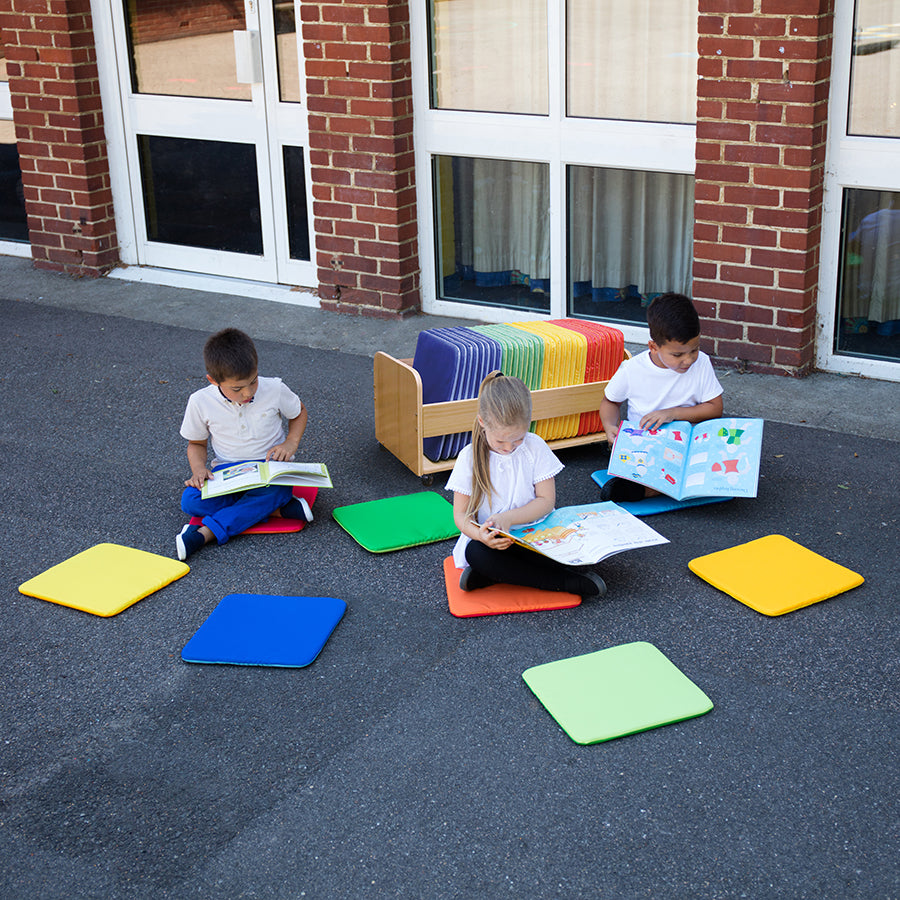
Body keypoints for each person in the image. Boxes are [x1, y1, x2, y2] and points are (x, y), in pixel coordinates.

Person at [446, 371, 607, 598]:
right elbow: (461, 516)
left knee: (577, 547)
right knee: (476, 553)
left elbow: (546, 501)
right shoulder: (468, 457)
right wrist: (480, 535)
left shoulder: (535, 446)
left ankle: (494, 576)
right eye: (501, 440)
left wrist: (509, 518)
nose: (509, 447)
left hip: (538, 534)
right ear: (482, 422)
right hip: (493, 541)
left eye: (518, 439)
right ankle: (564, 583)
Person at [175, 328, 311, 560]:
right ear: (213, 380)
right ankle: (277, 510)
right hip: (227, 472)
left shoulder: (275, 388)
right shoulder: (200, 401)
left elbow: (299, 413)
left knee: (277, 489)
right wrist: (198, 470)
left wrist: (290, 443)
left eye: (253, 381)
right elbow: (196, 443)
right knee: (190, 501)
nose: (248, 392)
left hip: (271, 469)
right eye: (237, 388)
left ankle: (204, 534)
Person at [599, 292, 724, 501]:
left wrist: (673, 413)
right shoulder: (633, 369)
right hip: (648, 444)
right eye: (677, 355)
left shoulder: (701, 362)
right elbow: (610, 402)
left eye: (694, 349)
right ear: (653, 347)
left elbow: (715, 408)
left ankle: (652, 489)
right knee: (648, 464)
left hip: (690, 444)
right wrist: (610, 427)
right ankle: (650, 487)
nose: (688, 360)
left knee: (721, 455)